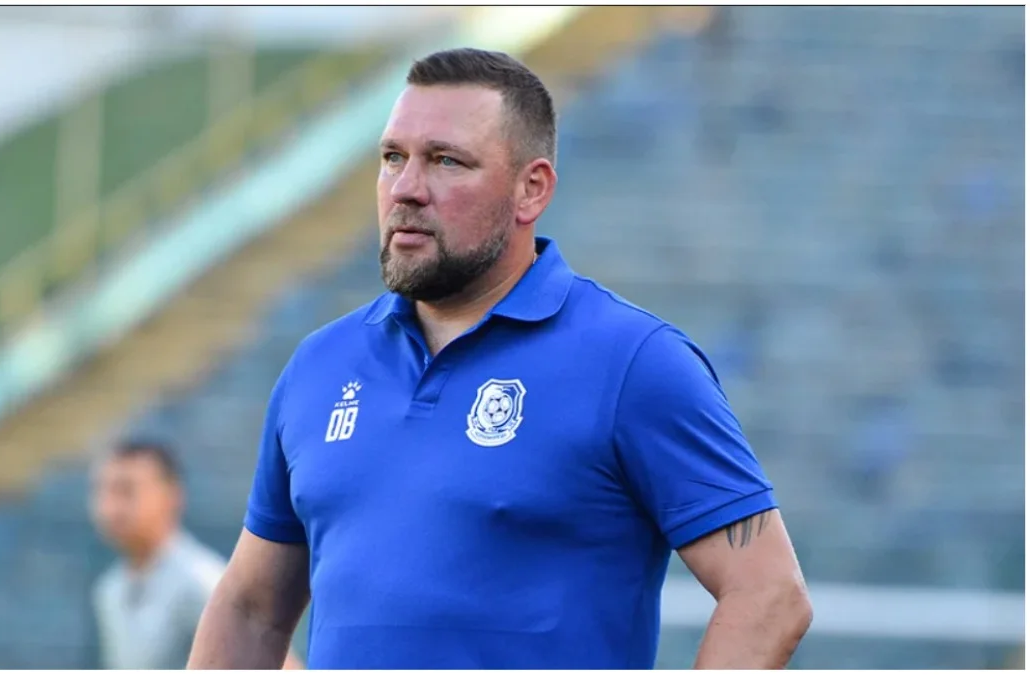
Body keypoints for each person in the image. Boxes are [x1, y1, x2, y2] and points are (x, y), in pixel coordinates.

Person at [188, 48, 812, 670]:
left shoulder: (633, 362)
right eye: (393, 158)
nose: (406, 189)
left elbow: (769, 595)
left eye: (446, 161)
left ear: (530, 189)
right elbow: (251, 609)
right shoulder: (320, 364)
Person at [90, 438, 303, 670]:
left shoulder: (201, 582)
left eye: (126, 491)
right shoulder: (111, 588)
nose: (111, 508)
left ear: (172, 496)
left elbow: (283, 666)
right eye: (103, 491)